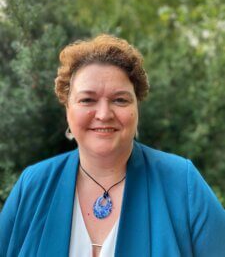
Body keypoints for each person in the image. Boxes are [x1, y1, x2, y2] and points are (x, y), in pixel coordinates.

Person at [0, 34, 225, 257]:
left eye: (120, 100)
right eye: (87, 100)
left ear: (137, 108)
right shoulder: (33, 184)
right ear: (68, 110)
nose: (104, 114)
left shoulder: (182, 184)